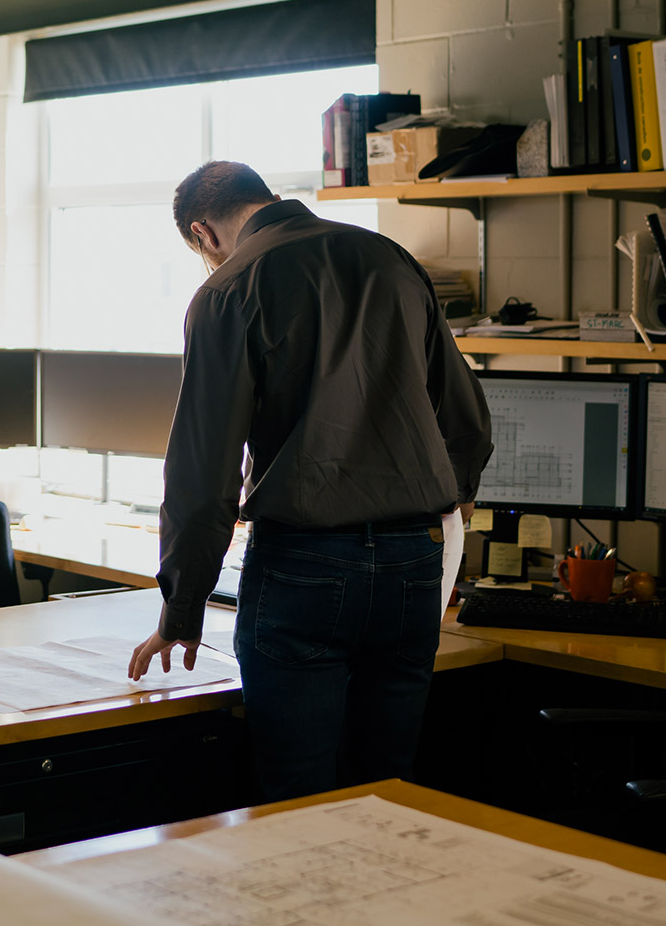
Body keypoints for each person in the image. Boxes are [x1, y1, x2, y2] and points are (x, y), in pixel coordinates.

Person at [128, 160, 492, 801]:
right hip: (415, 561)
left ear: (203, 234)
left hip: (304, 564)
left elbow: (202, 474)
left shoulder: (228, 290)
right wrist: (442, 516)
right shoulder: (389, 259)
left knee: (297, 801)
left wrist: (182, 609)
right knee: (387, 790)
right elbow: (465, 418)